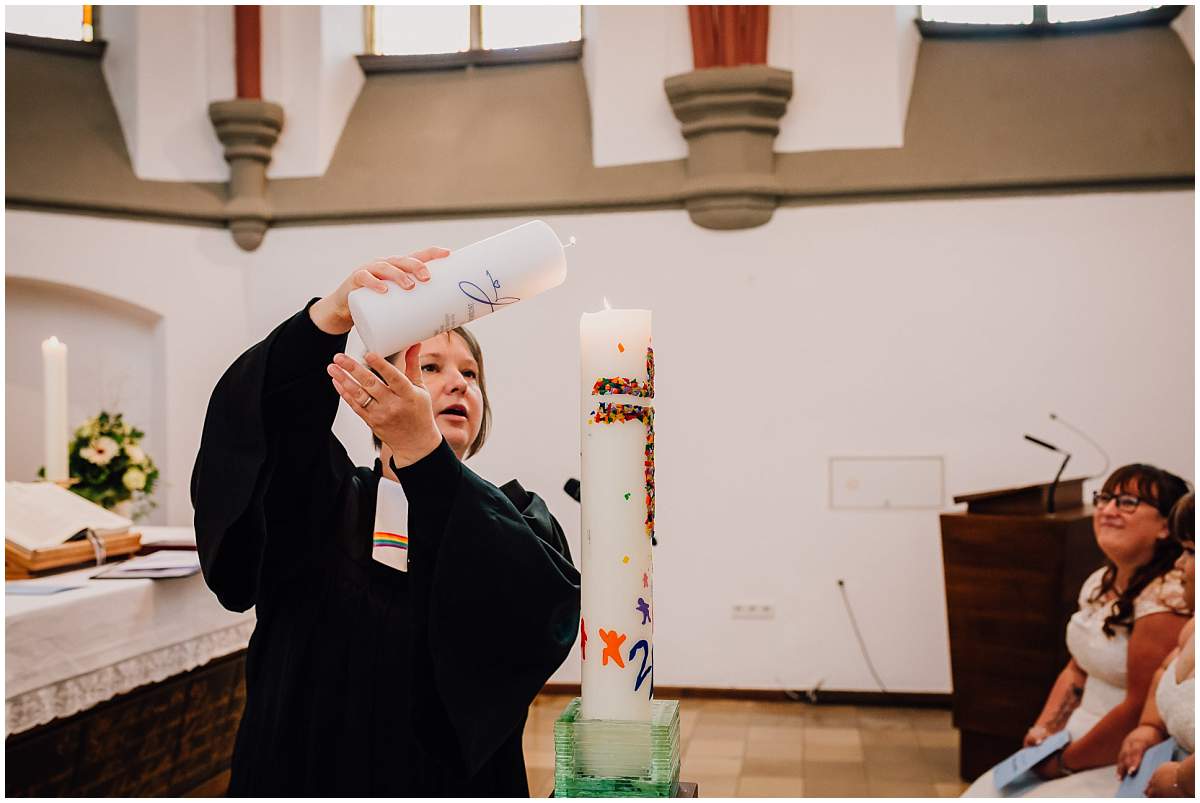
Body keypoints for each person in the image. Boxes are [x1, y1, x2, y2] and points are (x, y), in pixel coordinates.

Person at [191, 249, 582, 796]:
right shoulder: (322, 500)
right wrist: (330, 315)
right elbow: (261, 428)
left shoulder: (518, 519)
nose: (458, 383)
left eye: (470, 373)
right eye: (430, 366)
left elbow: (536, 617)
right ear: (374, 383)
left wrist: (425, 455)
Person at [964, 463, 1191, 797]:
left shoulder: (1166, 599)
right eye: (1106, 498)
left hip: (1115, 748)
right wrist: (1044, 729)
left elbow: (1139, 706)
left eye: (1128, 502)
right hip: (1077, 731)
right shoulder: (1101, 581)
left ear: (1163, 526)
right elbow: (1076, 668)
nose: (1109, 510)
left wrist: (1065, 762)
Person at [1116, 492, 1194, 797]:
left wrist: (1181, 780)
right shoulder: (1192, 628)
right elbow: (1166, 672)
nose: (1178, 562)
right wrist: (1150, 727)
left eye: (1189, 551)